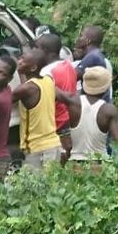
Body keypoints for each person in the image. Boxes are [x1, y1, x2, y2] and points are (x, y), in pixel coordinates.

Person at [58, 67, 118, 162]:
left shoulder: (73, 101)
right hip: (100, 164)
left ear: (84, 84)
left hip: (76, 164)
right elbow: (117, 138)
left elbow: (53, 90)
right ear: (106, 87)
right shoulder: (109, 110)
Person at [33, 33, 77, 162]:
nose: (34, 51)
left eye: (36, 47)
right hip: (67, 118)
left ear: (45, 50)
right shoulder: (68, 65)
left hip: (54, 122)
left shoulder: (46, 72)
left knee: (51, 162)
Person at [13, 52, 61, 168]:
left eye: (24, 61)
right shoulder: (48, 80)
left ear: (33, 67)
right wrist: (20, 72)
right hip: (53, 144)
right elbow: (29, 88)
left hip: (37, 149)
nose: (19, 62)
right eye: (20, 58)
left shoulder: (26, 88)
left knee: (35, 184)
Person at [73, 25, 112, 102]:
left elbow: (72, 75)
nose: (79, 39)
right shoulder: (97, 55)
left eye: (82, 35)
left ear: (88, 40)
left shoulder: (93, 57)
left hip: (95, 106)